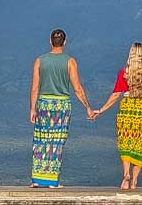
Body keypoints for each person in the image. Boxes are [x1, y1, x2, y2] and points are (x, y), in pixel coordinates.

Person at [29, 28, 95, 187]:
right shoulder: (70, 61)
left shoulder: (39, 60)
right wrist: (88, 107)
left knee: (41, 140)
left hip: (44, 103)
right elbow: (77, 88)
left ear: (50, 41)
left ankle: (37, 180)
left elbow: (35, 88)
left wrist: (32, 108)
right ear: (64, 42)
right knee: (56, 142)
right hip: (61, 105)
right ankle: (52, 181)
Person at [91, 42, 142, 189]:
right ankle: (135, 180)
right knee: (139, 145)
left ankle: (126, 175)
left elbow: (116, 94)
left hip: (127, 109)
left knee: (125, 143)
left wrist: (101, 110)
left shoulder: (125, 74)